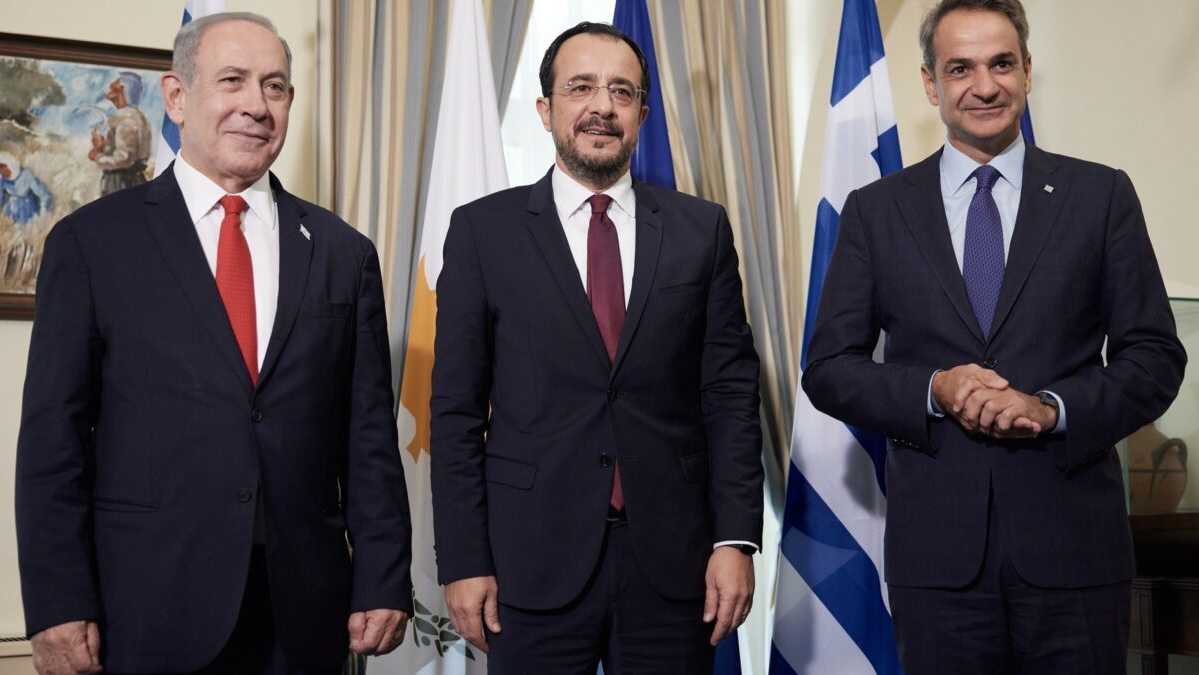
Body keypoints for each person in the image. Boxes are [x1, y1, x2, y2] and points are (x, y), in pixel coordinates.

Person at [16, 13, 413, 675]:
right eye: (233, 80)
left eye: (275, 86)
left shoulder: (343, 253)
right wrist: (57, 600)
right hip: (145, 608)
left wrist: (383, 576)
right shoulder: (91, 244)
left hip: (302, 613)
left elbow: (367, 435)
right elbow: (53, 441)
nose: (256, 105)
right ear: (176, 97)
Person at [802, 0, 1187, 672]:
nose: (984, 86)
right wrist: (935, 389)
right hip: (938, 561)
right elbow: (830, 367)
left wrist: (1052, 409)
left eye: (1001, 64)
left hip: (1074, 552)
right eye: (961, 68)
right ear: (931, 84)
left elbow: (1154, 357)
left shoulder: (1100, 197)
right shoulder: (877, 211)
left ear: (1027, 71)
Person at [430, 21, 763, 674]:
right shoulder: (482, 232)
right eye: (580, 87)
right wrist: (464, 559)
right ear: (545, 109)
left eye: (621, 91)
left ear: (642, 114)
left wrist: (735, 539)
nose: (602, 107)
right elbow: (456, 412)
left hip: (675, 563)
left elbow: (729, 394)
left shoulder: (701, 230)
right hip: (529, 564)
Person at [88, 71, 152, 195]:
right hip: (130, 182)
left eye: (116, 83)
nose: (110, 86)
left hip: (121, 184)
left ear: (122, 89)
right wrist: (102, 147)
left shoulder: (125, 118)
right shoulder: (138, 117)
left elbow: (124, 158)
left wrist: (98, 156)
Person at [0, 153, 53, 224]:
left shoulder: (26, 174)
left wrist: (44, 212)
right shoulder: (1, 178)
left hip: (28, 210)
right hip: (11, 209)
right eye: (0, 170)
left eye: (3, 168)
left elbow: (44, 194)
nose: (2, 172)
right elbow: (0, 197)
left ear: (9, 165)